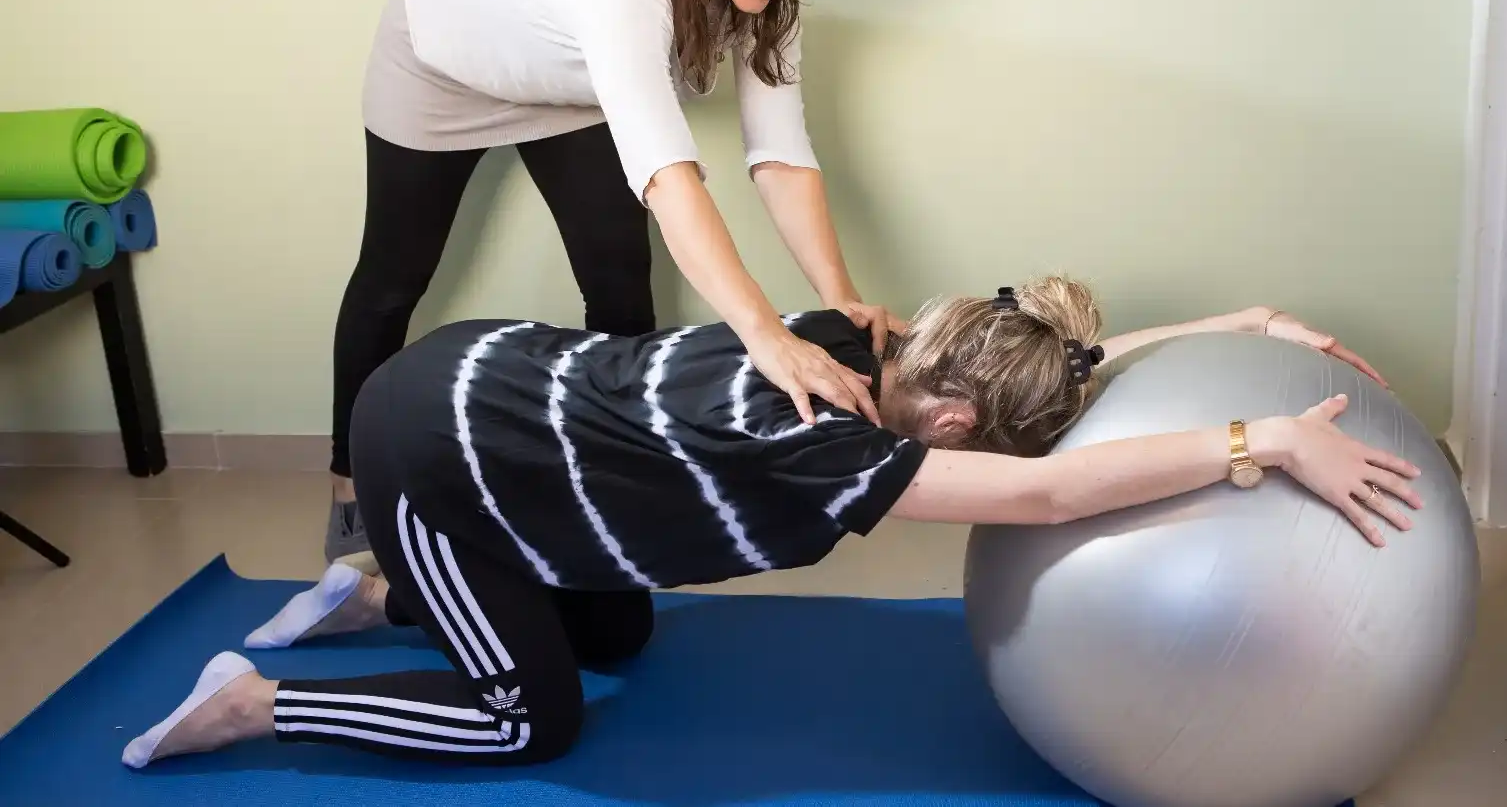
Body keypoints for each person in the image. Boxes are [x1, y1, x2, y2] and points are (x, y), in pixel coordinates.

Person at [122, 274, 1421, 770]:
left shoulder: (861, 335)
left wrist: (1229, 330)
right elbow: (1045, 490)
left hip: (500, 379)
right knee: (534, 713)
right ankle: (259, 699)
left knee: (616, 631)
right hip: (433, 447)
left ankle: (389, 596)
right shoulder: (829, 449)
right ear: (956, 427)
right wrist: (1264, 434)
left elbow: (1043, 365)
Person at [326, 0, 901, 570]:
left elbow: (779, 155)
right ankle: (348, 492)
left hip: (565, 85)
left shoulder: (770, 0)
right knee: (392, 279)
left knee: (620, 274)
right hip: (440, 67)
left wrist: (838, 298)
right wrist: (766, 339)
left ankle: (620, 470)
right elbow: (668, 177)